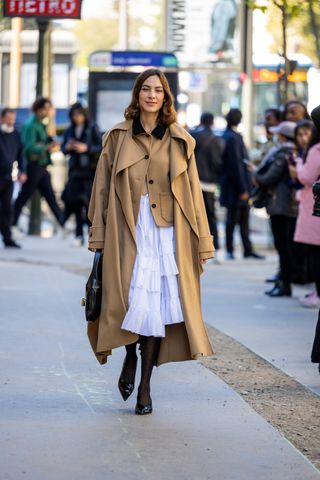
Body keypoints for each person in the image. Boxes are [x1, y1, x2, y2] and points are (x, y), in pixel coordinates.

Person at [87, 68, 214, 415]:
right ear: (138, 94)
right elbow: (100, 189)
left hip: (166, 232)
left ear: (166, 97)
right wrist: (97, 236)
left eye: (158, 90)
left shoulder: (179, 139)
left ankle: (145, 386)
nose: (152, 95)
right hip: (127, 227)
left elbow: (193, 194)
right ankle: (129, 354)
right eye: (146, 89)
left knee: (156, 306)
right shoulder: (116, 137)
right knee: (126, 299)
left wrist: (203, 242)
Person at [254, 121, 298, 297]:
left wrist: (255, 172)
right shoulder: (291, 153)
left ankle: (285, 284)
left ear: (282, 136)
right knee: (284, 247)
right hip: (286, 206)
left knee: (283, 247)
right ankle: (283, 282)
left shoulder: (283, 155)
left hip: (281, 206)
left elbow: (267, 178)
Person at [13, 97, 64, 229]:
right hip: (33, 166)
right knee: (24, 197)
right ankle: (11, 225)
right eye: (45, 109)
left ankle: (62, 223)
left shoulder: (43, 123)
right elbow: (28, 147)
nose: (47, 111)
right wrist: (46, 147)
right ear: (38, 109)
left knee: (50, 197)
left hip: (42, 165)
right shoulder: (31, 125)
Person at [220, 108, 263, 259]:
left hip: (234, 185)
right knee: (233, 219)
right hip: (236, 187)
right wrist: (243, 189)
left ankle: (247, 249)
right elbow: (236, 165)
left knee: (242, 219)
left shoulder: (229, 136)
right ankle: (231, 250)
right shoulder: (233, 138)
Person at [61, 102, 102, 246]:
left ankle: (95, 236)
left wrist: (87, 148)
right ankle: (78, 236)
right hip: (75, 171)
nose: (76, 118)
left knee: (90, 205)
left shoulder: (92, 128)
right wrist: (68, 147)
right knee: (75, 204)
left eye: (79, 114)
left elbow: (101, 147)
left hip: (89, 172)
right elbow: (63, 149)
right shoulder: (70, 129)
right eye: (74, 115)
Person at [289, 125, 320, 308]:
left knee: (316, 254)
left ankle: (318, 293)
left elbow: (307, 178)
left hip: (314, 207)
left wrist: (298, 164)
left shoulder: (316, 150)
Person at [190, 112, 224, 250]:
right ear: (212, 122)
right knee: (210, 215)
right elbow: (219, 162)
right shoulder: (217, 140)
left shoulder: (193, 135)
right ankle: (213, 244)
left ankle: (194, 243)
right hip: (210, 182)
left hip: (194, 180)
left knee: (193, 214)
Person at [0, 108, 27, 248]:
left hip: (8, 178)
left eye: (13, 119)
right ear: (1, 118)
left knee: (7, 209)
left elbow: (21, 154)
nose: (11, 122)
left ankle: (7, 238)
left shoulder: (16, 134)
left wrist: (23, 171)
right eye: (8, 119)